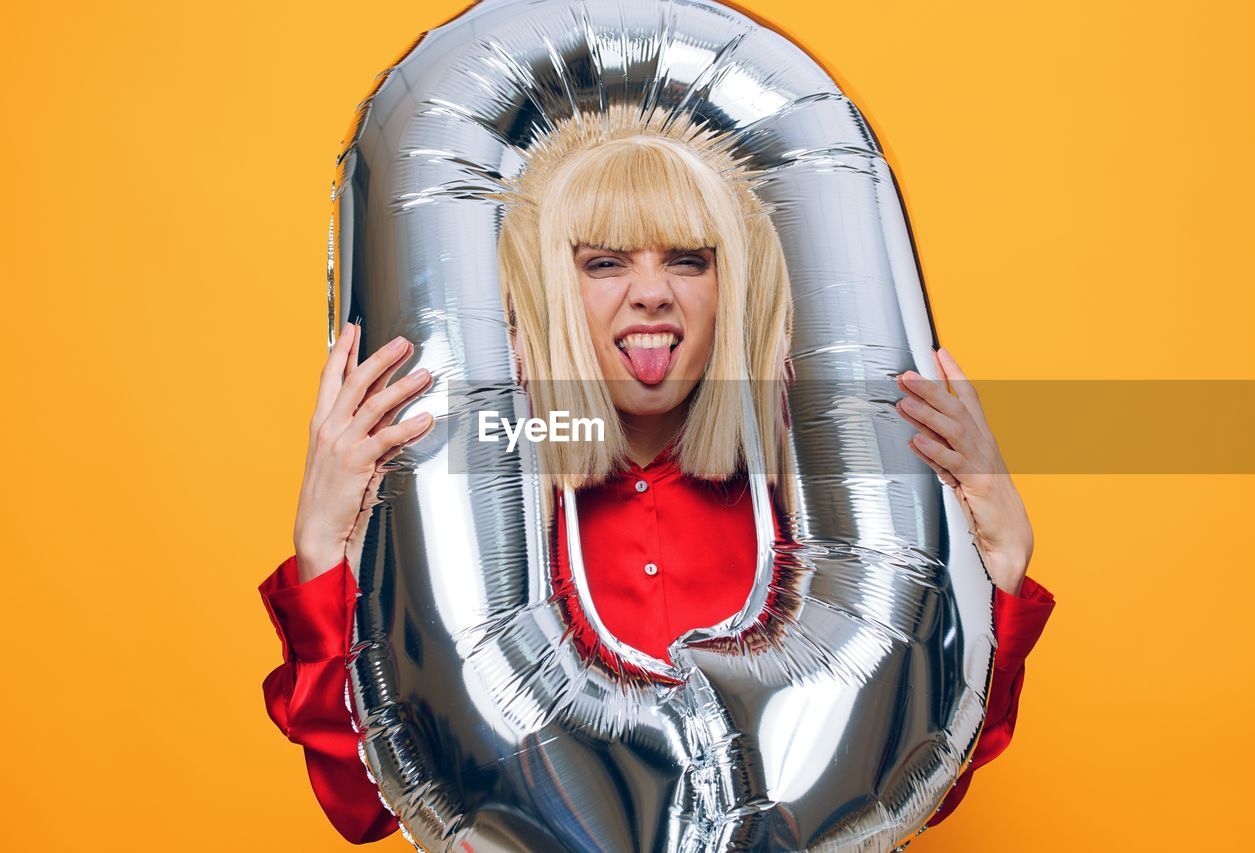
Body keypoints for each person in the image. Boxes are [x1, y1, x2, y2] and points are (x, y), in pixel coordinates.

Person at [260, 106, 1056, 845]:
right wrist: (322, 554)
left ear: (728, 287)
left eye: (688, 259)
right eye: (604, 262)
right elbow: (362, 801)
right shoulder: (479, 518)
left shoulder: (804, 513)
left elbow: (906, 782)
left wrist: (998, 568)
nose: (651, 293)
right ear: (551, 294)